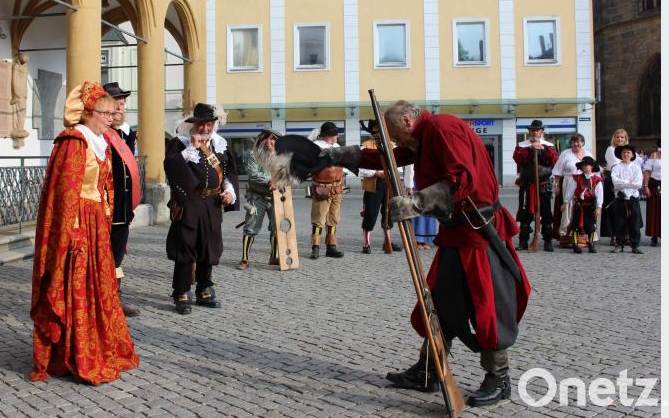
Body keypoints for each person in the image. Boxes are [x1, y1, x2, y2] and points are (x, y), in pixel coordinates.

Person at [286, 101, 532, 407]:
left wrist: (417, 203)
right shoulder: (423, 137)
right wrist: (336, 154)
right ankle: (428, 370)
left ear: (406, 120)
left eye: (394, 133)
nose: (395, 140)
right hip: (456, 235)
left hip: (476, 234)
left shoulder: (443, 128)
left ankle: (499, 378)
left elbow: (461, 179)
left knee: (488, 306)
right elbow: (389, 158)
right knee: (439, 303)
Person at [30, 81, 139, 384]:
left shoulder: (97, 140)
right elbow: (65, 195)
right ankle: (74, 353)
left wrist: (103, 219)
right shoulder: (74, 142)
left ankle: (95, 344)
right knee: (76, 286)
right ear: (89, 113)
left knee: (97, 286)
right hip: (78, 226)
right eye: (106, 112)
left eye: (111, 112)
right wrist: (73, 232)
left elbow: (103, 188)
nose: (111, 116)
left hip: (95, 224)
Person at [164, 103, 239, 314]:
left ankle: (204, 288)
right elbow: (171, 167)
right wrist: (192, 149)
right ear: (194, 124)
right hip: (189, 202)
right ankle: (181, 291)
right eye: (202, 125)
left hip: (212, 203)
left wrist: (230, 192)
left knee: (209, 245)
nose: (205, 129)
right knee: (186, 246)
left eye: (209, 124)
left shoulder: (220, 144)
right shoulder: (181, 144)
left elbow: (227, 172)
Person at [102, 82, 140, 317]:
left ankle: (115, 297)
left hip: (122, 209)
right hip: (105, 206)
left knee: (117, 255)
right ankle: (102, 299)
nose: (120, 106)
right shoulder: (100, 133)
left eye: (123, 102)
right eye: (116, 101)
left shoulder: (126, 133)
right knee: (102, 255)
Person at [238, 128, 282, 270]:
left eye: (273, 139)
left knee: (276, 228)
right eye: (266, 138)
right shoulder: (253, 154)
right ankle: (244, 259)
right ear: (261, 140)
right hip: (256, 197)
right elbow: (254, 175)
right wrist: (273, 180)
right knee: (250, 227)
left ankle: (274, 257)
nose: (269, 141)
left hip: (275, 197)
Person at [513, 120, 560, 251]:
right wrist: (530, 149)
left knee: (546, 214)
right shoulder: (522, 145)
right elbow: (518, 159)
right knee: (525, 214)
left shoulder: (549, 146)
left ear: (541, 131)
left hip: (543, 185)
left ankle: (547, 241)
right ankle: (523, 241)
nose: (534, 132)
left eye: (537, 130)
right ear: (529, 131)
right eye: (532, 130)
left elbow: (554, 160)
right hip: (527, 185)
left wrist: (543, 150)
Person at [359, 120, 402, 254]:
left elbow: (398, 166)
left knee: (388, 214)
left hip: (389, 183)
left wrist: (388, 173)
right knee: (370, 214)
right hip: (373, 184)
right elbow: (362, 169)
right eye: (375, 131)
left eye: (380, 130)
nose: (378, 133)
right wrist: (377, 172)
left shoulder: (392, 146)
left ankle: (387, 241)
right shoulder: (365, 146)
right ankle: (367, 244)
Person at [309, 122, 346, 259]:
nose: (337, 136)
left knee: (333, 218)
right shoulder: (316, 147)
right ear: (329, 135)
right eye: (336, 134)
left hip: (337, 187)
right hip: (322, 188)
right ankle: (315, 246)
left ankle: (331, 246)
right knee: (318, 219)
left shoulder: (336, 147)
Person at [552, 134, 593, 245]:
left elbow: (593, 171)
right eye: (574, 142)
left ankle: (585, 233)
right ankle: (567, 234)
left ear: (583, 143)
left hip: (585, 183)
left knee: (585, 207)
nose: (576, 144)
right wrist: (556, 186)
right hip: (569, 181)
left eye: (578, 142)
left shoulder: (588, 154)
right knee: (568, 208)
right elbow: (557, 171)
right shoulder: (565, 154)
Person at [562, 156, 604, 254]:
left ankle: (591, 244)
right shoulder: (576, 178)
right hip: (579, 205)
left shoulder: (597, 180)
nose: (584, 167)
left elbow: (599, 194)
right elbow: (570, 191)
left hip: (590, 206)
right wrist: (565, 202)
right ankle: (575, 244)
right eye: (583, 165)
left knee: (591, 225)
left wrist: (599, 207)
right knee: (576, 225)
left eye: (587, 165)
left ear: (592, 166)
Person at [610, 144, 644, 254]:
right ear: (621, 154)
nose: (626, 154)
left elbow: (638, 184)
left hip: (633, 197)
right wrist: (628, 182)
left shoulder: (636, 167)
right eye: (624, 152)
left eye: (628, 152)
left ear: (632, 155)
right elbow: (615, 182)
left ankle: (635, 245)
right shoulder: (616, 167)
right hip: (620, 197)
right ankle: (619, 244)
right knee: (620, 221)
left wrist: (624, 182)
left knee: (634, 221)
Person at [601, 129, 629, 244]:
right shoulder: (611, 149)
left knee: (626, 209)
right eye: (618, 137)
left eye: (622, 137)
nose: (620, 139)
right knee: (613, 209)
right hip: (613, 181)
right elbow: (615, 166)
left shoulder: (629, 150)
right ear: (614, 138)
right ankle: (614, 236)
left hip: (627, 183)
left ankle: (625, 234)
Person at [403, 163, 437, 250]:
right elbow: (409, 167)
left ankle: (424, 240)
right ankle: (416, 241)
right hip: (417, 183)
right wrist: (409, 186)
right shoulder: (415, 151)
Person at [643, 141, 661, 246]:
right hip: (655, 186)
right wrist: (645, 186)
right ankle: (654, 236)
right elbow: (647, 171)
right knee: (654, 211)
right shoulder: (654, 156)